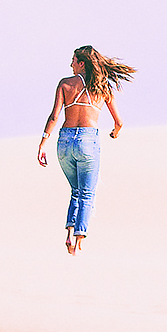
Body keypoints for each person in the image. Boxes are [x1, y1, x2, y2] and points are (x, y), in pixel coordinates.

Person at [39, 45, 134, 255]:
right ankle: (78, 241)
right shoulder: (102, 88)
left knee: (76, 191)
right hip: (87, 141)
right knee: (87, 193)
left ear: (82, 63)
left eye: (73, 61)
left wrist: (43, 143)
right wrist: (115, 133)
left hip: (65, 141)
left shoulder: (65, 84)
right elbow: (119, 122)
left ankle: (69, 233)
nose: (70, 65)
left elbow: (54, 116)